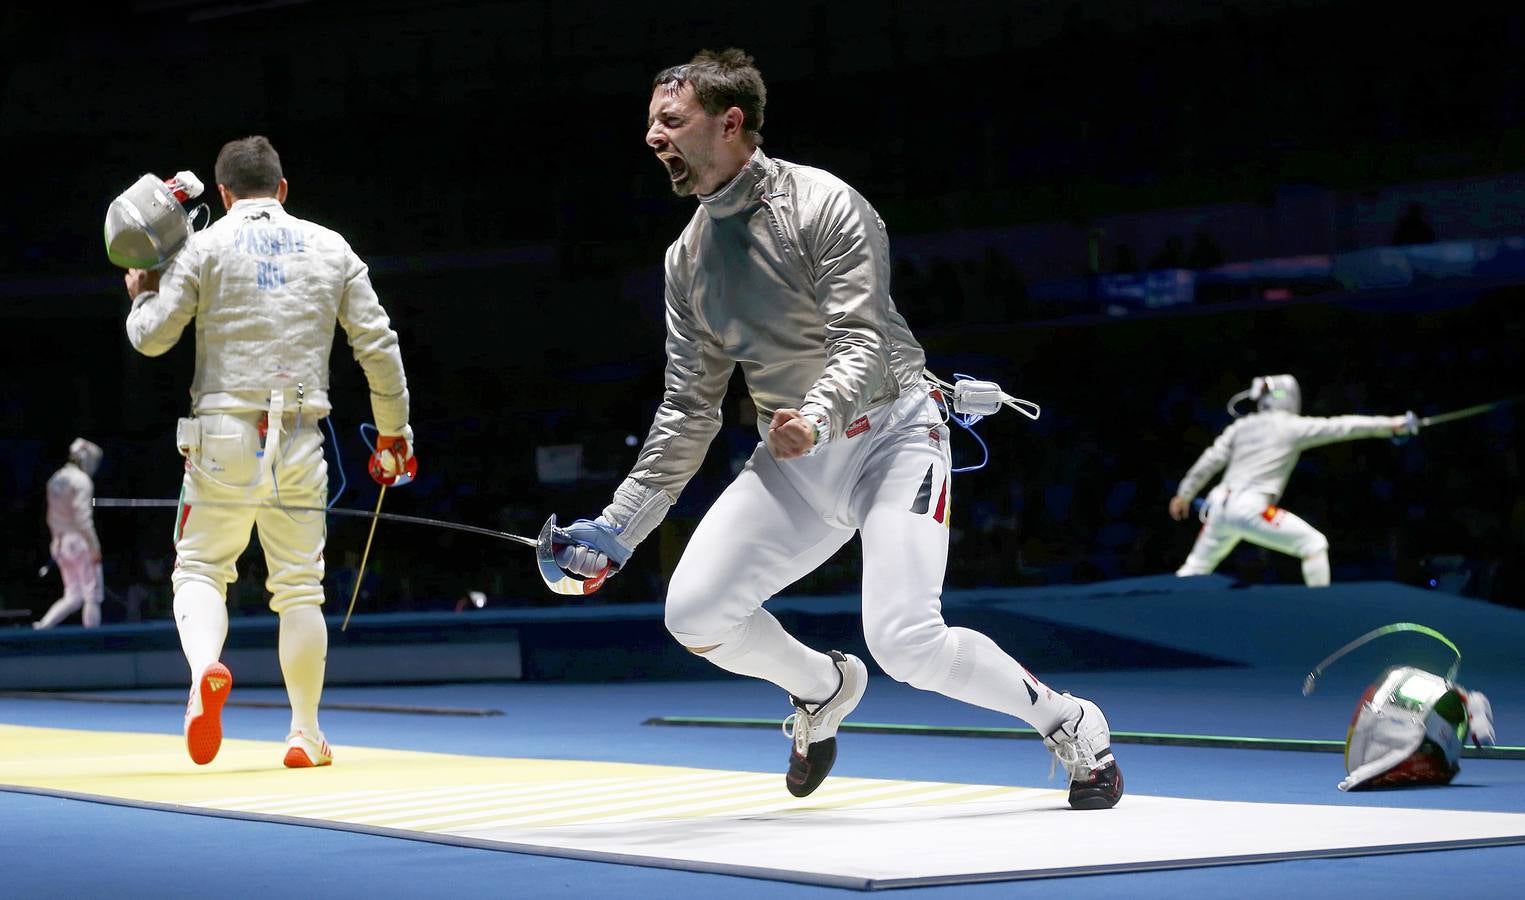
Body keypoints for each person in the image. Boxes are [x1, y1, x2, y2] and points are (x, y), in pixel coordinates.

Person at [549, 49, 1121, 809]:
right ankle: (821, 688)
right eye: (651, 121)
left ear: (729, 123)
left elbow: (864, 338)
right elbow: (688, 407)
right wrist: (615, 529)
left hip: (892, 435)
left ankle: (1068, 720)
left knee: (906, 641)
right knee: (694, 613)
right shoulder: (685, 258)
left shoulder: (823, 203)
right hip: (795, 462)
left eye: (671, 120)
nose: (653, 136)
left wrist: (815, 417)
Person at [123, 136, 415, 768]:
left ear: (224, 195)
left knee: (200, 569)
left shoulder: (201, 247)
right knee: (300, 589)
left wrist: (142, 291)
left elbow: (151, 339)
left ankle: (206, 669)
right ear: (283, 190)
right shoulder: (332, 246)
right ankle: (304, 734)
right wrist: (394, 433)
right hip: (301, 438)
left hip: (221, 434)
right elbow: (378, 345)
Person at [1169, 374, 1419, 586]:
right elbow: (1345, 426)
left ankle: (1155, 610)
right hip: (1249, 507)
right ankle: (1321, 612)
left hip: (1218, 507)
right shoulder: (1291, 426)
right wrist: (1393, 424)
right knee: (1314, 544)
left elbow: (1209, 460)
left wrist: (1184, 494)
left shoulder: (1240, 426)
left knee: (1194, 569)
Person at [36, 438, 105, 629]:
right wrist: (94, 547)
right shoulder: (82, 481)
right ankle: (94, 641)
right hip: (79, 542)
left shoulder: (56, 478)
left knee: (73, 596)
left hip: (59, 543)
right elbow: (82, 519)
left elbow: (51, 516)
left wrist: (56, 542)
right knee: (93, 594)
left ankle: (43, 627)